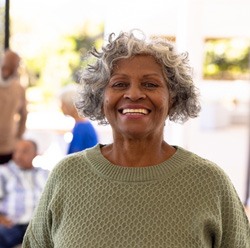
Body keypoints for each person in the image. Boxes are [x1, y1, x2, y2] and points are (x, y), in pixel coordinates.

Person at [22, 30, 250, 247]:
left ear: (173, 99)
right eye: (119, 84)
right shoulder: (67, 176)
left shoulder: (209, 183)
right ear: (101, 98)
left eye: (150, 84)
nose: (133, 94)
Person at [0, 139, 49, 247]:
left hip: (38, 226)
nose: (18, 155)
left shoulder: (45, 174)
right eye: (16, 151)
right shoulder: (3, 172)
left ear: (35, 154)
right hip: (12, 225)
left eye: (24, 151)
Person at [0, 49, 28, 164]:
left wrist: (18, 137)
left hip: (9, 146)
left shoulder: (19, 89)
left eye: (13, 65)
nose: (8, 69)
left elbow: (24, 115)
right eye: (7, 64)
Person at [59, 84, 98, 154]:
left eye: (63, 103)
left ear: (70, 104)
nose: (61, 107)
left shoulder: (81, 127)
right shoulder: (83, 124)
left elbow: (74, 157)